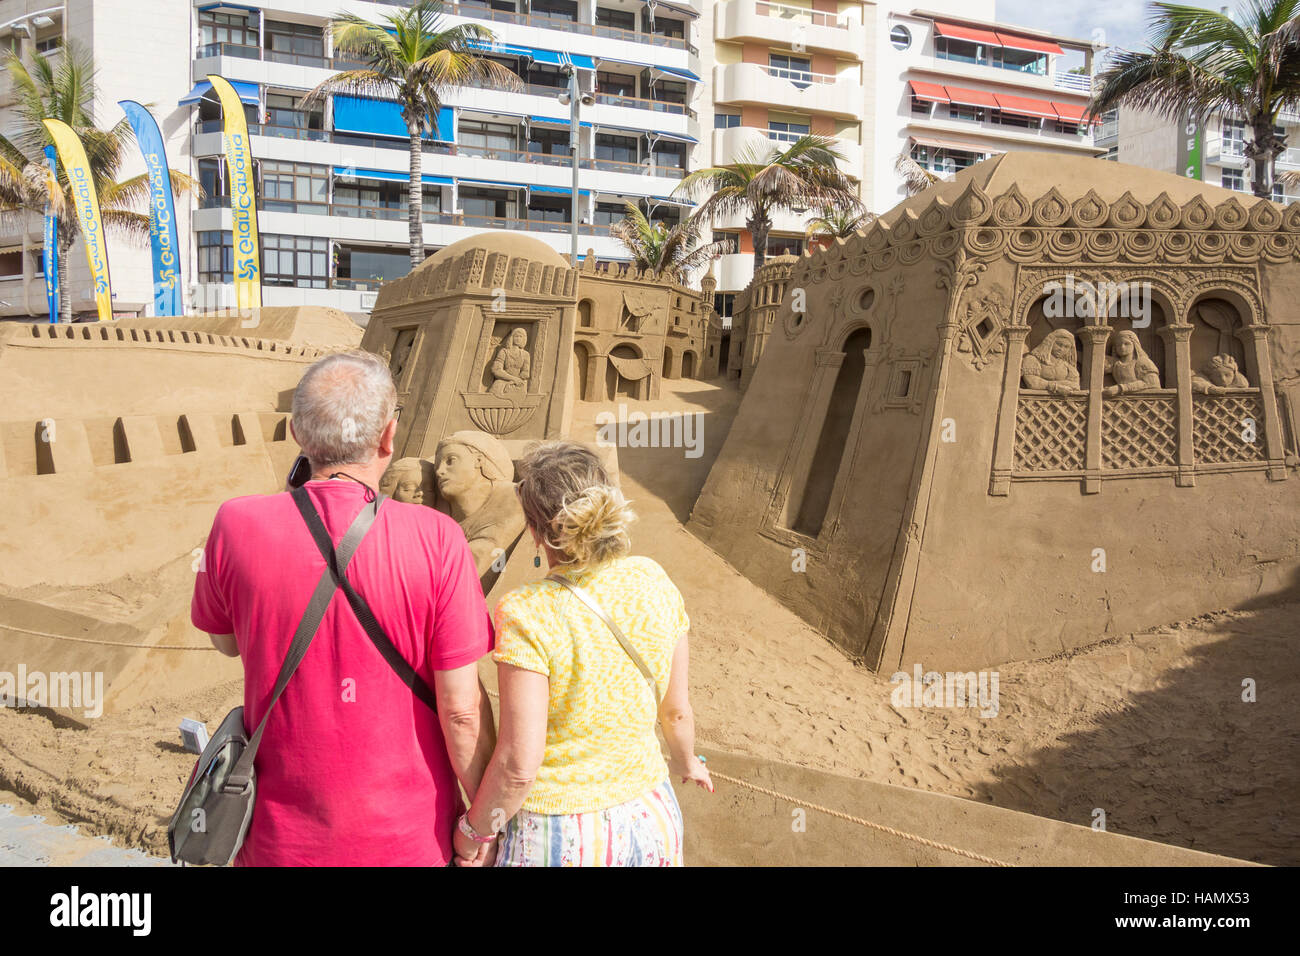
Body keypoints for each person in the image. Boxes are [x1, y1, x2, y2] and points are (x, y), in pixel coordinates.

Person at [191, 350, 496, 866]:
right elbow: (462, 711)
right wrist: (482, 825)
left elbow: (225, 642)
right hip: (408, 838)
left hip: (277, 842)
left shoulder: (235, 524)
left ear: (297, 434)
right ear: (388, 436)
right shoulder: (439, 538)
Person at [454, 440, 712, 867]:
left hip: (562, 833)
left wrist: (474, 830)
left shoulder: (526, 611)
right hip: (652, 815)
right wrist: (689, 764)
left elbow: (519, 764)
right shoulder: (652, 579)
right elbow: (677, 712)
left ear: (536, 532)